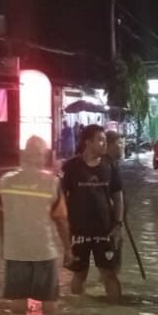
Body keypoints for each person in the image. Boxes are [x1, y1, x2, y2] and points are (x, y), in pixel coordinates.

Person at [57, 124, 125, 301]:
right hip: (79, 231)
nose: (104, 144)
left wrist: (118, 224)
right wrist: (64, 230)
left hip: (105, 230)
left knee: (109, 273)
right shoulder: (71, 167)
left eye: (105, 140)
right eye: (100, 140)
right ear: (88, 143)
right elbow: (60, 199)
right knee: (80, 274)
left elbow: (118, 197)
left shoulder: (110, 165)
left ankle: (115, 310)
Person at [0, 137, 65, 312]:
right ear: (43, 156)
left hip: (15, 250)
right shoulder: (52, 182)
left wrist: (4, 245)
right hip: (44, 250)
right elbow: (61, 219)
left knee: (18, 304)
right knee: (49, 304)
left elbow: (0, 214)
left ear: (24, 155)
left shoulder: (5, 181)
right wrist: (69, 249)